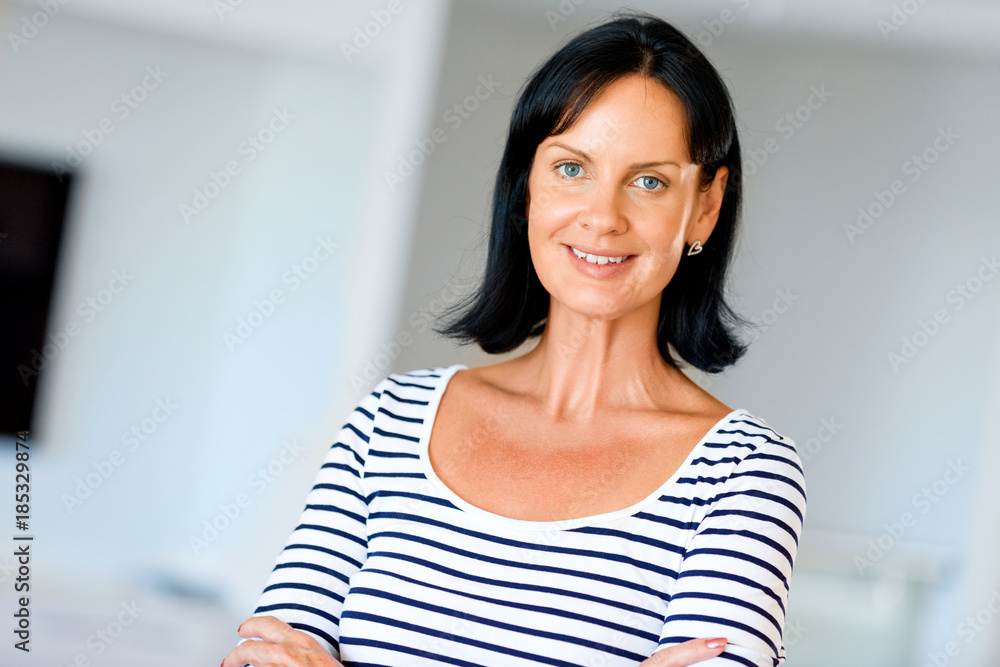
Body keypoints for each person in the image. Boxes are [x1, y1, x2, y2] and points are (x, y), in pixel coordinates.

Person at [223, 9, 807, 667]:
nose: (603, 217)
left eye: (649, 181)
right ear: (527, 185)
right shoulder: (386, 424)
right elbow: (261, 657)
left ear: (705, 205)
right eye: (572, 168)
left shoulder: (741, 475)